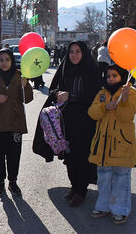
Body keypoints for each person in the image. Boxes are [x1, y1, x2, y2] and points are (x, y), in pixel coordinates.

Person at [33, 41, 101, 207]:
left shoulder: (91, 70)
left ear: (84, 53)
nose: (74, 55)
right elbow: (53, 89)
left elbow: (94, 94)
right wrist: (58, 94)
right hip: (65, 120)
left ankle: (81, 190)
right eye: (71, 52)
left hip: (85, 121)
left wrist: (71, 96)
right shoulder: (65, 69)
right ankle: (74, 185)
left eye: (78, 51)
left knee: (82, 154)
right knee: (69, 154)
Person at [88, 64, 136, 225]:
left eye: (114, 76)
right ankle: (103, 205)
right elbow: (92, 112)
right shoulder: (102, 93)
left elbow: (126, 116)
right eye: (109, 76)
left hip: (121, 146)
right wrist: (105, 107)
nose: (111, 79)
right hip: (103, 145)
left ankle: (120, 209)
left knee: (121, 178)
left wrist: (123, 101)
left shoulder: (132, 93)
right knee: (103, 177)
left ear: (122, 77)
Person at [0, 48, 33, 197]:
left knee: (14, 154)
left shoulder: (20, 76)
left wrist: (26, 85)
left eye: (7, 60)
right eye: (1, 60)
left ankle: (13, 182)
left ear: (12, 61)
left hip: (16, 123)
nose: (4, 63)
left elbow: (27, 99)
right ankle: (0, 182)